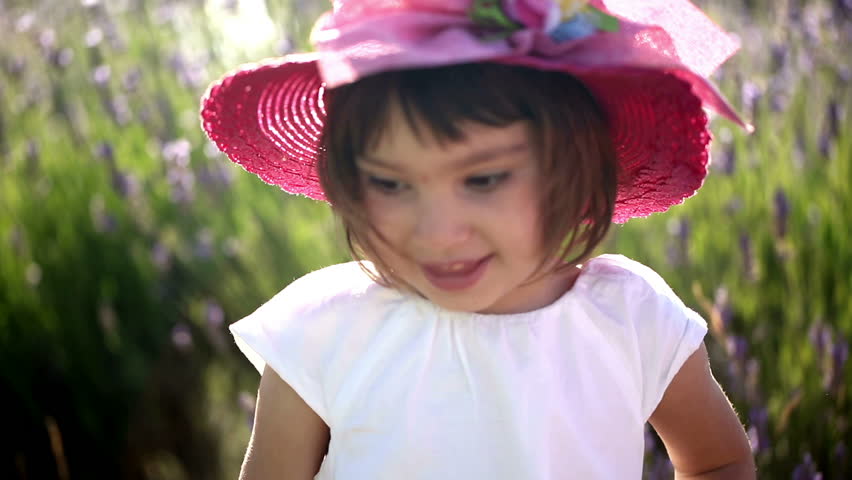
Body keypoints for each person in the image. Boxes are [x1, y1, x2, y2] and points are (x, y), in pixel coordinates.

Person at [201, 1, 757, 478]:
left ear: (575, 168)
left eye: (483, 179)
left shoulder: (633, 319)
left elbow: (717, 462)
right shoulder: (322, 330)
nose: (438, 232)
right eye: (391, 183)